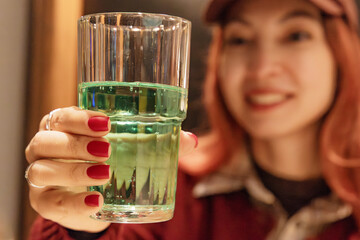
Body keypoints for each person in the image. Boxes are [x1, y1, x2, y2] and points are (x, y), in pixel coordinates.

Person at [26, 0, 360, 239]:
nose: (262, 67)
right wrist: (80, 228)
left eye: (296, 35)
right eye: (240, 39)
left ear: (342, 52)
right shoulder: (158, 189)